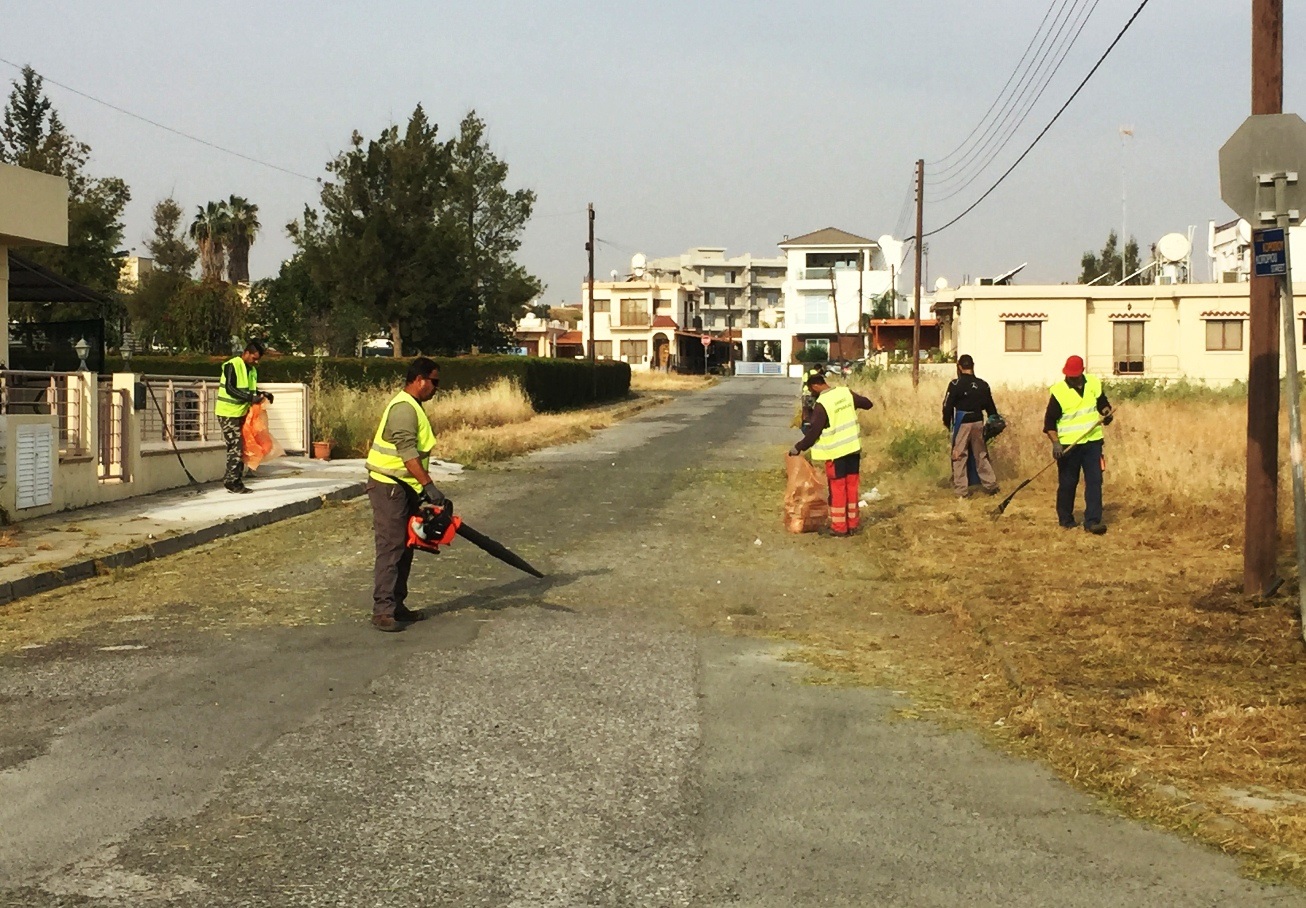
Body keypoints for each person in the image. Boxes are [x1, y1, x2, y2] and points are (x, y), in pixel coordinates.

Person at [366, 357, 446, 632]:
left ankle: (397, 605)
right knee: (391, 547)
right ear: (420, 379)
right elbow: (407, 453)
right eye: (434, 381)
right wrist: (429, 486)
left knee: (406, 546)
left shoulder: (414, 407)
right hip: (389, 486)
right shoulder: (404, 408)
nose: (436, 388)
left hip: (404, 486)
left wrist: (421, 488)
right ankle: (383, 611)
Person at [788, 372, 874, 536]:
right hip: (853, 450)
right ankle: (853, 524)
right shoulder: (845, 392)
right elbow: (868, 404)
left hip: (836, 454)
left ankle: (840, 528)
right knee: (852, 487)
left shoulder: (822, 404)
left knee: (838, 491)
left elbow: (814, 432)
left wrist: (798, 447)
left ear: (815, 386)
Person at [1044, 354, 1114, 534]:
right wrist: (1056, 444)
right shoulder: (1059, 392)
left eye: (1075, 375)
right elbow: (1049, 423)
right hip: (1069, 446)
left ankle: (1092, 521)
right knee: (1068, 483)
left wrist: (1107, 414)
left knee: (1094, 481)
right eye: (1069, 375)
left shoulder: (1093, 383)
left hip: (1092, 442)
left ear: (1082, 372)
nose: (1072, 378)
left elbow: (1103, 404)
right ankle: (1066, 519)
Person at [215, 339, 272, 494]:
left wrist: (262, 395)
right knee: (236, 446)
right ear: (246, 353)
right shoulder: (231, 365)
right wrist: (250, 398)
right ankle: (231, 481)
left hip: (242, 413)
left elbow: (249, 390)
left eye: (258, 359)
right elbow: (230, 389)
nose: (256, 362)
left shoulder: (251, 371)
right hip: (227, 412)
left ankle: (235, 481)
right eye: (254, 358)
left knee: (243, 447)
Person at [941, 354, 1000, 498]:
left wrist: (947, 423)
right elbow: (991, 409)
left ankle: (962, 491)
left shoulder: (955, 384)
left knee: (959, 455)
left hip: (963, 422)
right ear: (972, 366)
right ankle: (991, 485)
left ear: (959, 367)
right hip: (979, 421)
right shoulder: (983, 385)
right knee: (980, 454)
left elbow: (947, 406)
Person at [797, 364, 826, 434]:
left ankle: (805, 423)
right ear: (818, 369)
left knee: (805, 409)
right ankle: (812, 423)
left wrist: (800, 393)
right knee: (814, 408)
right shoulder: (817, 374)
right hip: (812, 393)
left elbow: (802, 384)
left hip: (805, 393)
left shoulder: (806, 373)